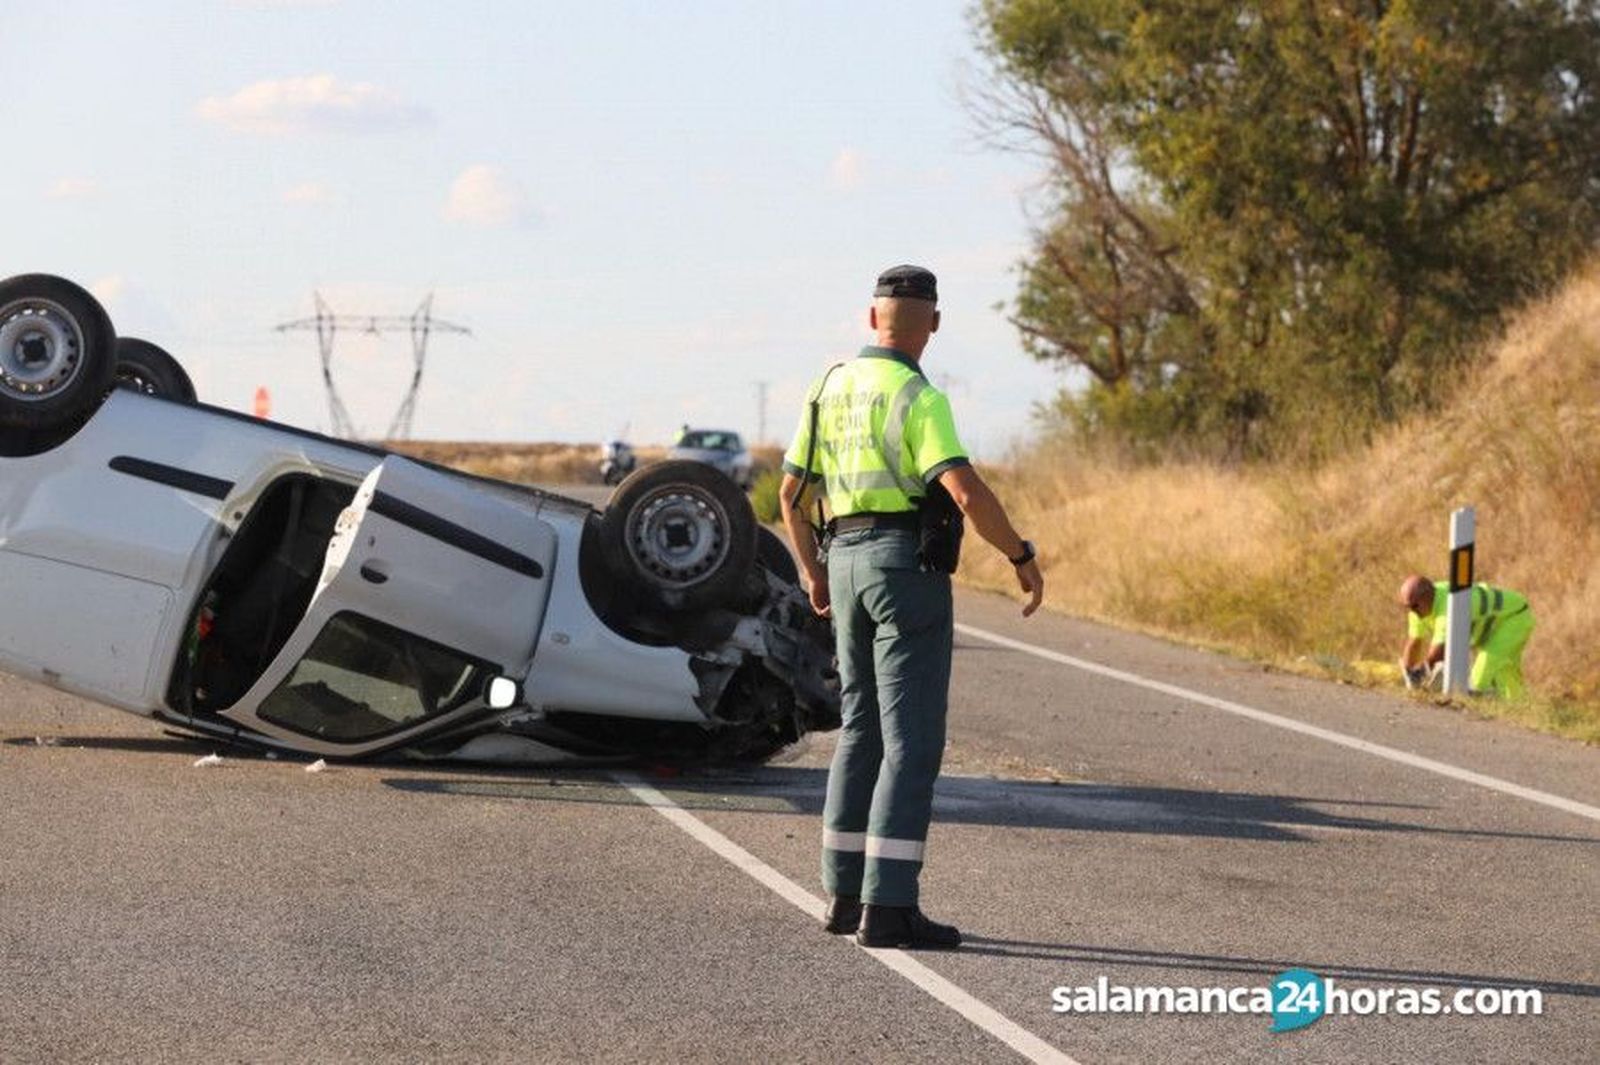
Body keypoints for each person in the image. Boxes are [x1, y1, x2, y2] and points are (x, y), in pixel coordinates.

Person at [778, 264, 1044, 950]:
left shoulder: (828, 386)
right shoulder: (918, 397)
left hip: (842, 561)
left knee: (860, 726)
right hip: (903, 569)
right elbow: (962, 490)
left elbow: (788, 494)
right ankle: (890, 907)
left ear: (872, 319)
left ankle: (842, 894)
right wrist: (1018, 554)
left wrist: (812, 573)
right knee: (912, 738)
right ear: (933, 324)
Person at [1396, 574, 1535, 699]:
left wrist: (1420, 673)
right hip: (1497, 624)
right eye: (1407, 607)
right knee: (1505, 672)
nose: (1411, 611)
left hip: (1514, 617)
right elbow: (1414, 643)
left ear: (1427, 597)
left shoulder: (1449, 607)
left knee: (1479, 677)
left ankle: (1474, 714)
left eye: (1414, 606)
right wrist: (1409, 674)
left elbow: (1440, 651)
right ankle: (1519, 707)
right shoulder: (1416, 609)